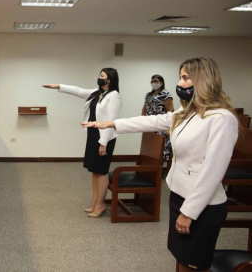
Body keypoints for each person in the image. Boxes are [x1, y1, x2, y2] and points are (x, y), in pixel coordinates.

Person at [82, 58, 239, 272]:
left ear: (204, 81)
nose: (180, 83)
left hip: (201, 205)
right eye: (180, 77)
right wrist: (110, 123)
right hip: (179, 195)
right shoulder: (187, 114)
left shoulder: (221, 118)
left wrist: (189, 212)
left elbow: (213, 172)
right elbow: (150, 121)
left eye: (185, 77)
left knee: (193, 262)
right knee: (181, 257)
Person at [43, 68, 122, 218]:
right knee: (94, 170)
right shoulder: (98, 93)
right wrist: (59, 86)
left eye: (102, 76)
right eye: (99, 75)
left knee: (102, 171)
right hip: (93, 134)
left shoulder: (114, 96)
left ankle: (100, 204)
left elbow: (111, 121)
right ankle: (95, 202)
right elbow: (79, 91)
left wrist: (103, 143)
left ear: (110, 80)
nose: (99, 78)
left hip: (104, 137)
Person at [141, 74, 174, 161]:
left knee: (160, 149)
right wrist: (142, 122)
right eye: (152, 81)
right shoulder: (148, 95)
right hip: (149, 124)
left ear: (161, 82)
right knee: (149, 148)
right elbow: (144, 108)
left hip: (161, 125)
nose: (153, 83)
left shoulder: (166, 95)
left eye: (155, 81)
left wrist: (170, 127)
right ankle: (149, 168)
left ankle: (160, 169)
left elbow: (171, 111)